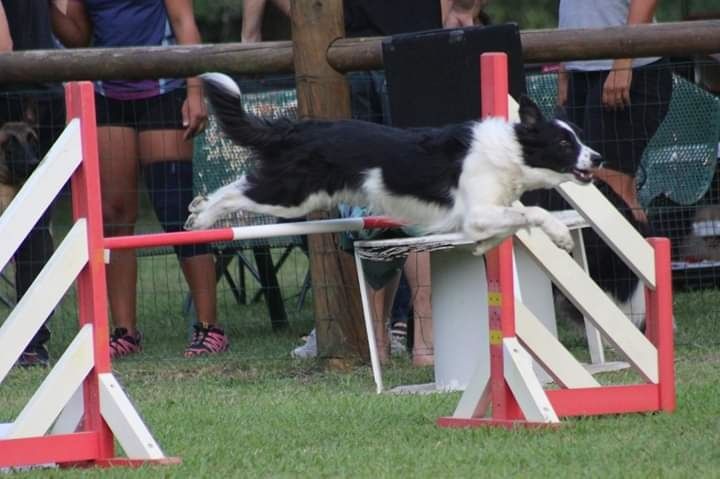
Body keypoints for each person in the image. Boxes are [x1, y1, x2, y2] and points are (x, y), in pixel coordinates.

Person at [243, 0, 488, 363]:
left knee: (378, 199)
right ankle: (420, 337)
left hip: (354, 55)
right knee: (406, 196)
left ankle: (382, 339)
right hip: (394, 53)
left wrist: (305, 19)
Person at [52, 0, 227, 358]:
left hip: (164, 91)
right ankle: (124, 331)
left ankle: (210, 327)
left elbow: (184, 22)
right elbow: (78, 37)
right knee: (115, 215)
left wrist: (195, 92)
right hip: (107, 95)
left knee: (176, 208)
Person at [556, 0, 672, 224]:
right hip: (580, 70)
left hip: (628, 68)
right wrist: (564, 69)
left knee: (612, 184)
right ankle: (617, 257)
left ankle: (638, 258)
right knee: (586, 182)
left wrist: (623, 61)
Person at [0, 0, 66, 367]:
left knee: (27, 228)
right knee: (34, 228)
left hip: (14, 97)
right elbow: (72, 28)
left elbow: (3, 47)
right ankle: (32, 341)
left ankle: (29, 340)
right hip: (44, 93)